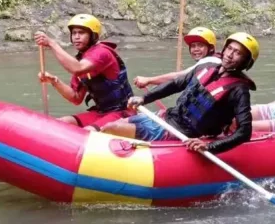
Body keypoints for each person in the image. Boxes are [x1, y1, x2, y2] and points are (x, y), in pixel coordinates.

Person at [102, 32, 260, 154]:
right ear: (224, 49)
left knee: (112, 128)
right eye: (230, 49)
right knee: (111, 126)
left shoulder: (239, 90)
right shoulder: (209, 65)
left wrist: (209, 146)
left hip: (181, 132)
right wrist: (144, 98)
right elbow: (177, 84)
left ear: (245, 62)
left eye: (238, 53)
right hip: (167, 117)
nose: (230, 55)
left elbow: (245, 132)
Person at [34, 14, 134, 130]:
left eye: (81, 33)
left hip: (123, 113)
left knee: (87, 132)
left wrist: (52, 43)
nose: (76, 37)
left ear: (93, 35)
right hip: (101, 112)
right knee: (61, 123)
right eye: (74, 33)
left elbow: (77, 68)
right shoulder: (82, 60)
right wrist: (54, 81)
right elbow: (76, 98)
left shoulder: (102, 53)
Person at [133, 27, 221, 88]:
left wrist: (148, 80)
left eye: (200, 45)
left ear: (211, 48)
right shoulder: (211, 61)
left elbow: (178, 76)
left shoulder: (211, 61)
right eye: (193, 46)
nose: (196, 49)